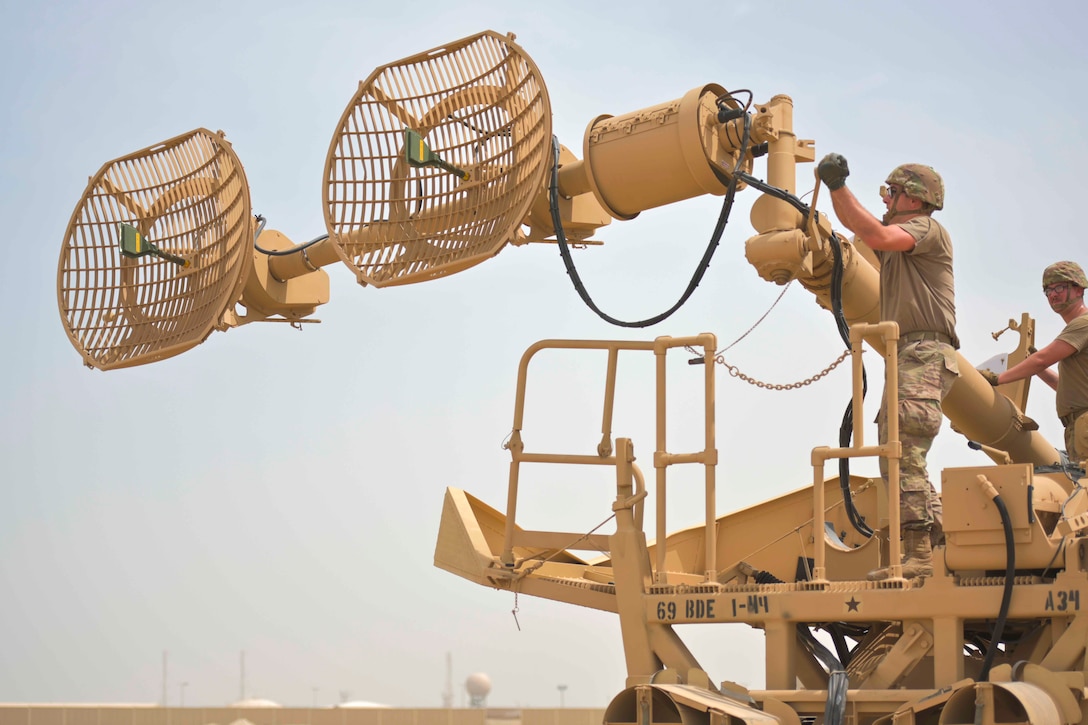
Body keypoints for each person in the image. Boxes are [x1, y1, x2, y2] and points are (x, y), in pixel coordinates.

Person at [817, 155, 959, 580]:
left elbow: (872, 233)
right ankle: (935, 548)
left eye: (893, 192)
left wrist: (839, 185)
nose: (888, 198)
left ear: (913, 198)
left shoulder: (924, 230)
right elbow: (865, 232)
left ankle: (919, 557)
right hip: (910, 355)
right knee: (895, 450)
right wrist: (833, 190)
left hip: (923, 353)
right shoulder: (903, 238)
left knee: (903, 451)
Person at [981, 261, 1088, 466]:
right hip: (1077, 425)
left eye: (1059, 287)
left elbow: (1041, 359)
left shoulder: (1082, 324)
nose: (1052, 295)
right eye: (1047, 290)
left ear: (1078, 289)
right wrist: (1038, 369)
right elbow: (1063, 386)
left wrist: (998, 378)